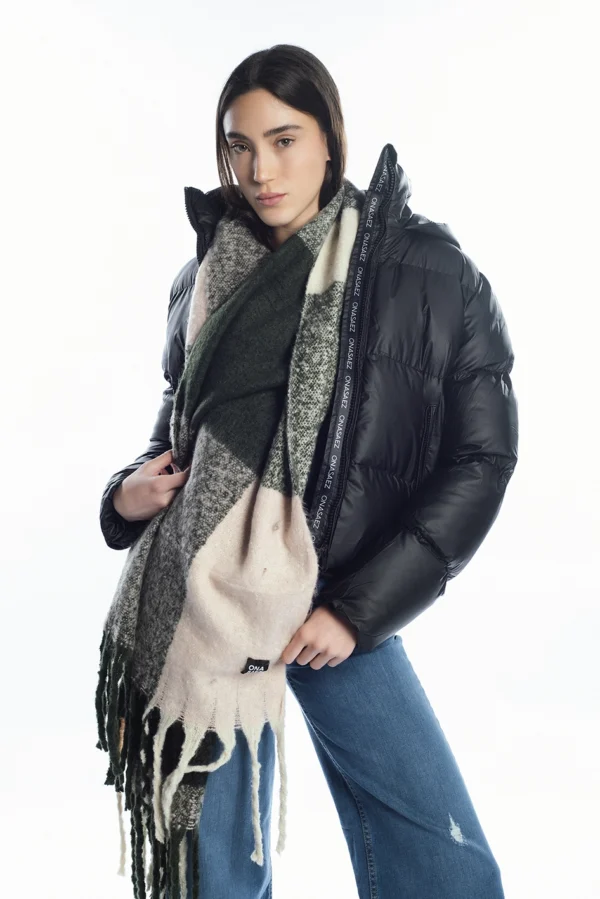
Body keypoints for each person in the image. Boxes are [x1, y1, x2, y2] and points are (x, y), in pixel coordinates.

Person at [97, 44, 518, 899]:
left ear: (329, 138)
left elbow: (482, 458)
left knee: (446, 867)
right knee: (217, 882)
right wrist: (128, 491)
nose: (261, 171)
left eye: (284, 140)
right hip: (205, 607)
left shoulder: (427, 272)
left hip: (338, 594)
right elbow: (179, 422)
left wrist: (358, 614)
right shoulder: (203, 276)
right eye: (240, 146)